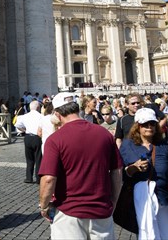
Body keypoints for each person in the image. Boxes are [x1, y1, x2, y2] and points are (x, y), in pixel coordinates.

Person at [38, 92, 123, 239]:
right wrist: (113, 201)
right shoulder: (104, 134)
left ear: (57, 114)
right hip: (101, 210)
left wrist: (44, 206)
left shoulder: (55, 139)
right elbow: (117, 171)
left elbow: (49, 179)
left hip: (69, 213)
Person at [120, 108, 168, 240]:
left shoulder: (163, 145)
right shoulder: (127, 145)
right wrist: (133, 168)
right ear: (137, 126)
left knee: (166, 235)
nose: (149, 127)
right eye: (145, 124)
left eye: (152, 124)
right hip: (140, 199)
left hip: (163, 197)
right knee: (146, 233)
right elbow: (122, 173)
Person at [15, 100, 43, 184]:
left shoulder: (24, 116)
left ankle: (28, 177)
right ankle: (38, 178)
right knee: (38, 158)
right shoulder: (41, 116)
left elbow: (17, 125)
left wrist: (24, 130)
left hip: (27, 137)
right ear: (38, 107)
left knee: (29, 159)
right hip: (37, 137)